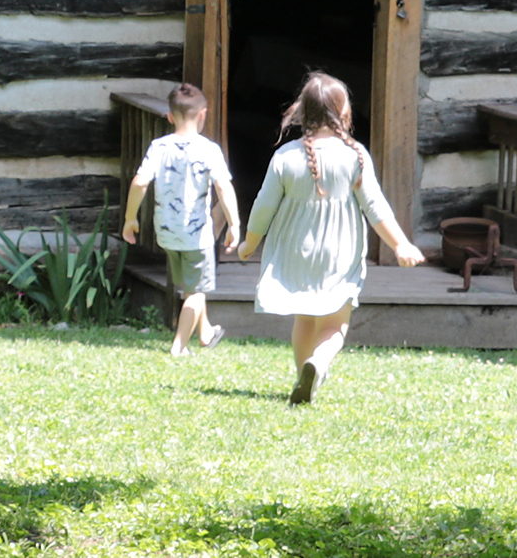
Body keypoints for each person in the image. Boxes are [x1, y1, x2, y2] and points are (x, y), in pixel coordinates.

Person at [238, 72, 424, 405]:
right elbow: (375, 207)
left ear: (302, 112)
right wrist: (400, 245)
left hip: (296, 250)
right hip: (339, 251)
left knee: (304, 319)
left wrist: (248, 245)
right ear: (344, 112)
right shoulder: (355, 155)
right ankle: (318, 363)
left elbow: (263, 206)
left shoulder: (286, 157)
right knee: (335, 325)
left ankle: (302, 377)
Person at [122, 83, 240, 356]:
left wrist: (131, 218)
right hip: (197, 235)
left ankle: (205, 332)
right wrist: (234, 224)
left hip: (166, 232)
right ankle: (179, 346)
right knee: (196, 292)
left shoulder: (158, 146)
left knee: (192, 283)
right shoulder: (208, 149)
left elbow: (140, 183)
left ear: (170, 116)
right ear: (203, 115)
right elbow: (223, 187)